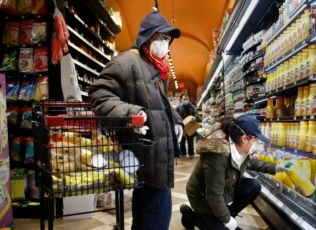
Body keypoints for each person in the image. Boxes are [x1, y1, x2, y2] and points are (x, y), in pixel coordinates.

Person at [89, 10, 183, 230]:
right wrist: (132, 112)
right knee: (155, 219)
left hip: (157, 156)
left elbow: (161, 104)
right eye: (162, 37)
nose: (166, 44)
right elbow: (99, 96)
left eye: (168, 40)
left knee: (152, 215)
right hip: (145, 156)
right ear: (147, 37)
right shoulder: (125, 63)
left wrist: (175, 120)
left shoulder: (155, 68)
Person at [180, 114, 292, 230]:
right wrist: (228, 221)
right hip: (203, 198)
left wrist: (276, 167)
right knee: (223, 225)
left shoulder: (240, 148)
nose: (258, 143)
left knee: (253, 186)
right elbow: (213, 196)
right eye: (256, 139)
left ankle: (226, 214)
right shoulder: (217, 155)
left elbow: (252, 163)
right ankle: (192, 216)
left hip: (223, 190)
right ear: (245, 138)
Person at [175, 94, 199, 159]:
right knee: (182, 141)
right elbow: (175, 115)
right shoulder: (178, 107)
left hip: (190, 125)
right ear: (181, 99)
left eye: (186, 99)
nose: (185, 100)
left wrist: (194, 119)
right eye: (184, 99)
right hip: (182, 126)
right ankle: (183, 154)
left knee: (190, 141)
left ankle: (191, 154)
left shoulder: (192, 107)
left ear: (188, 99)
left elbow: (196, 114)